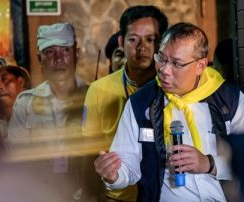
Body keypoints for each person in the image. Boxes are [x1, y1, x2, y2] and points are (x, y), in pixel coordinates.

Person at [94, 22, 244, 202]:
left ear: (200, 66)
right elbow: (127, 167)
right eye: (161, 58)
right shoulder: (140, 104)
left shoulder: (230, 100)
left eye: (176, 63)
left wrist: (209, 164)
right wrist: (113, 175)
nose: (164, 70)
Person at [82, 5, 168, 202]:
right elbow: (88, 153)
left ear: (162, 42)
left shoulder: (172, 87)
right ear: (121, 41)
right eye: (133, 39)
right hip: (117, 196)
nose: (142, 47)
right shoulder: (98, 90)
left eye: (150, 39)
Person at [7, 22, 87, 201]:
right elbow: (18, 157)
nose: (58, 59)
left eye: (65, 50)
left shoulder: (94, 97)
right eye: (50, 52)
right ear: (39, 57)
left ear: (76, 53)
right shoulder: (25, 103)